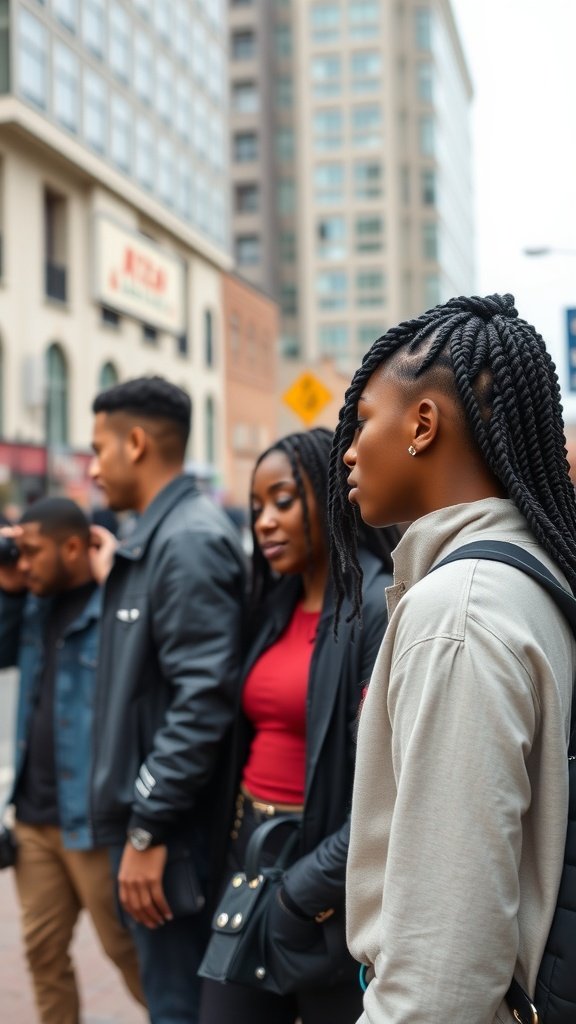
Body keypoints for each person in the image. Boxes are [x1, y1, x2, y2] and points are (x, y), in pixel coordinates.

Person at [326, 292, 576, 1024]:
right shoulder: (533, 574)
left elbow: (444, 967)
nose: (347, 447)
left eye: (364, 420)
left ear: (423, 425)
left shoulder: (459, 612)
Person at [200, 427, 400, 1024]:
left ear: (330, 493)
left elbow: (383, 788)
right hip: (249, 859)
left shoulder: (376, 604)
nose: (264, 521)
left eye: (283, 501)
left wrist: (300, 892)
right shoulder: (272, 602)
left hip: (322, 880)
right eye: (257, 506)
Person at [88, 376, 246, 1024]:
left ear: (136, 443)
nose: (92, 467)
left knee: (178, 1009)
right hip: (161, 835)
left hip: (173, 844)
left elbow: (203, 699)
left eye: (99, 449)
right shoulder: (159, 539)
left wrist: (149, 826)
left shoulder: (186, 541)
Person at [0, 497, 144, 1024]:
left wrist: (114, 581)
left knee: (128, 954)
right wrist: (10, 589)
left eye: (32, 552)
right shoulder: (35, 601)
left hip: (94, 824)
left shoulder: (114, 603)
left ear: (74, 547)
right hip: (35, 823)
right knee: (42, 955)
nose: (25, 562)